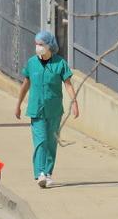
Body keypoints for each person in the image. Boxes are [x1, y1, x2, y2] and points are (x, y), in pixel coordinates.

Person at [15, 30, 79, 188]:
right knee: (40, 141)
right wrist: (18, 105)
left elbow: (68, 84)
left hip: (54, 110)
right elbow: (25, 85)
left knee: (51, 142)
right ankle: (40, 173)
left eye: (41, 44)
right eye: (36, 44)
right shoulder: (31, 63)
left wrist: (75, 103)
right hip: (36, 109)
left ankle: (48, 173)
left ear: (49, 46)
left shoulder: (60, 63)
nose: (38, 47)